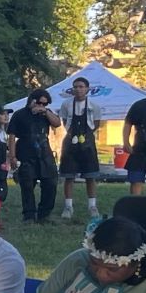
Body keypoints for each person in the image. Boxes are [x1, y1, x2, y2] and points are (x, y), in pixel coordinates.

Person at [6, 89, 61, 224]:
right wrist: (12, 156)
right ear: (32, 100)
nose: (42, 105)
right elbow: (11, 136)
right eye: (40, 102)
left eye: (45, 104)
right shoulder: (19, 115)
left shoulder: (45, 114)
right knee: (27, 185)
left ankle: (45, 214)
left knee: (50, 182)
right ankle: (29, 215)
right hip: (25, 150)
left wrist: (46, 112)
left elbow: (57, 123)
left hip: (44, 150)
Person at [55, 77, 102, 221]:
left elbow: (97, 123)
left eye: (81, 86)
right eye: (75, 87)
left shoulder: (94, 105)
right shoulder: (66, 104)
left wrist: (87, 135)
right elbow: (64, 122)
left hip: (87, 141)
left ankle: (92, 206)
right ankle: (68, 206)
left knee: (90, 175)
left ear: (87, 89)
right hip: (70, 141)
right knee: (69, 176)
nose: (78, 89)